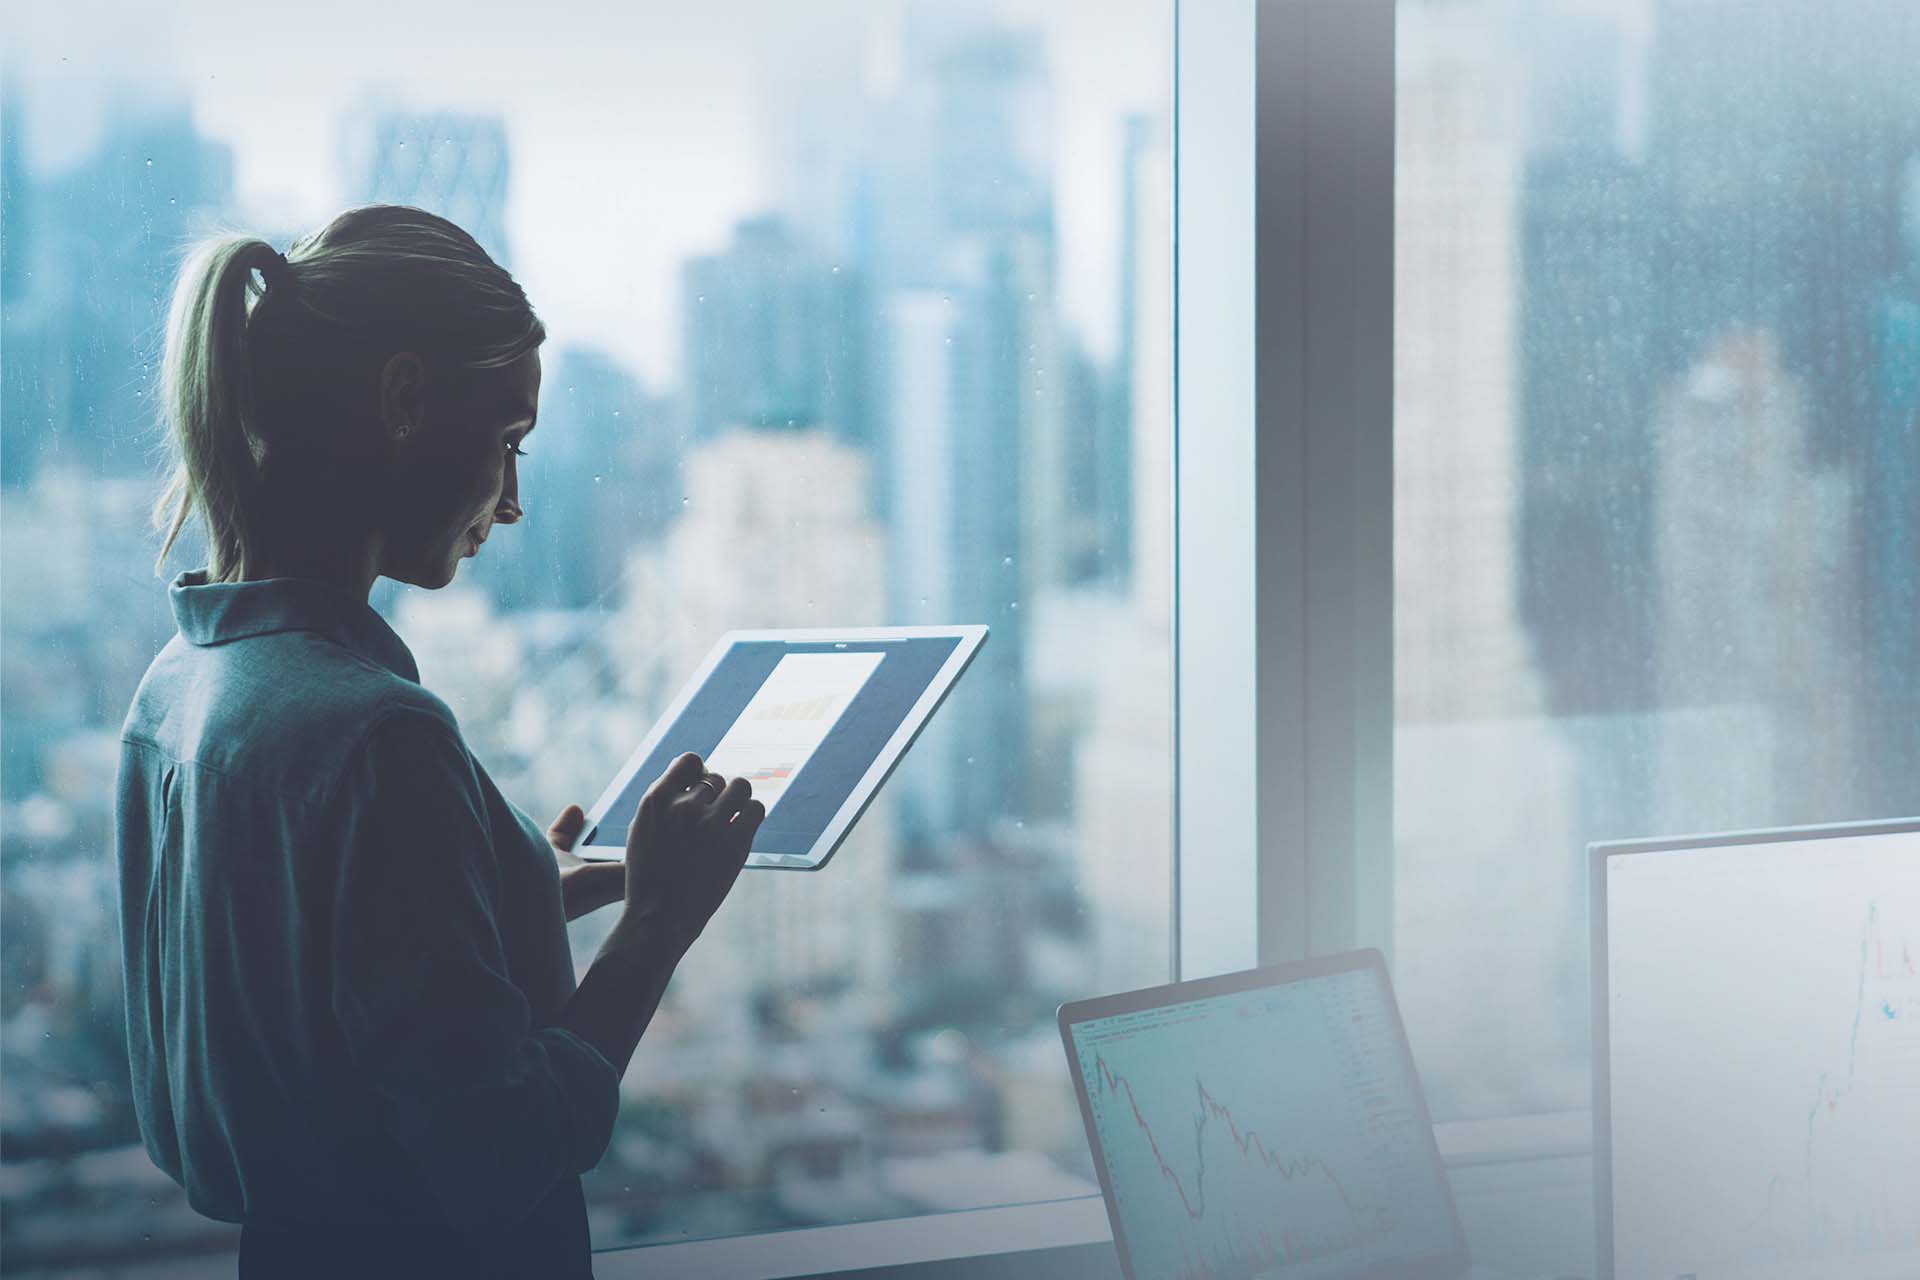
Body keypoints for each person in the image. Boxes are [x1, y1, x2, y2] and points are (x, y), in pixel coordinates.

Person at [113, 204, 764, 1277]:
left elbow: (298, 992)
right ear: (407, 400)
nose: (510, 504)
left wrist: (505, 891)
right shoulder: (376, 736)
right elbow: (500, 1152)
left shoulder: (177, 694)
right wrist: (657, 921)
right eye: (507, 442)